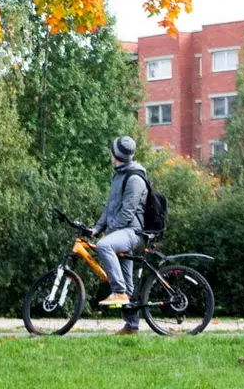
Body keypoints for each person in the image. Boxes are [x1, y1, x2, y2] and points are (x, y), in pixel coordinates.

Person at [92, 135, 148, 337]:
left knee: (104, 246)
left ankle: (118, 291)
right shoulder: (119, 176)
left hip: (133, 232)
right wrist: (97, 228)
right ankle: (131, 326)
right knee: (128, 283)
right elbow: (111, 207)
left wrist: (109, 233)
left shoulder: (135, 179)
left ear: (115, 154)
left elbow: (127, 212)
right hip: (122, 232)